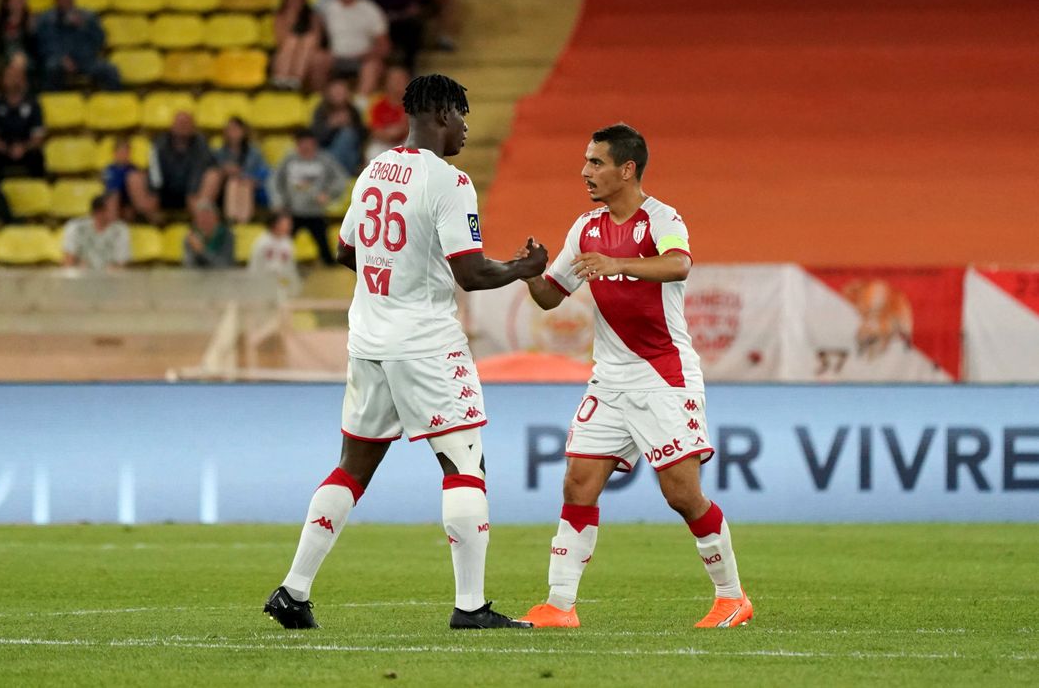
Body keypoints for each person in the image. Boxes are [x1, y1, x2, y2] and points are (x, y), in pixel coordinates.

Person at [263, 73, 548, 631]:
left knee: (352, 468)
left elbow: (346, 250)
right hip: (426, 344)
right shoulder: (450, 181)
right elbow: (471, 273)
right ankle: (471, 607)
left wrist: (395, 275)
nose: (466, 128)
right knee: (465, 464)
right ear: (441, 113)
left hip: (368, 340)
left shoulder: (373, 170)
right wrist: (522, 268)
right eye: (461, 115)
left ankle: (293, 590)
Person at [517, 124, 753, 629]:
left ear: (627, 169)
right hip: (609, 379)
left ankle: (732, 598)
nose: (585, 172)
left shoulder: (662, 218)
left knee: (681, 494)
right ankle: (559, 605)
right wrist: (530, 272)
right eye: (586, 161)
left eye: (596, 162)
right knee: (578, 484)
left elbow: (679, 265)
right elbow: (552, 296)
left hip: (663, 376)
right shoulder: (585, 228)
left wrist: (616, 263)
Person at [268, 127, 347, 265]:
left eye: (308, 144)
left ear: (314, 144)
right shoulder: (288, 159)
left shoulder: (325, 159)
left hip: (315, 212)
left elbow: (341, 179)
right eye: (302, 144)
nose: (305, 148)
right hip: (291, 211)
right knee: (282, 249)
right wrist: (278, 201)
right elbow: (274, 180)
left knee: (326, 252)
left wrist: (329, 194)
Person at [35, 0, 120, 91]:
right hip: (59, 61)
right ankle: (54, 99)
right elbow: (43, 45)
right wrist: (60, 58)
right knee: (51, 68)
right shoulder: (46, 19)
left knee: (110, 70)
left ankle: (112, 100)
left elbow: (100, 40)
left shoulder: (87, 16)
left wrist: (85, 26)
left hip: (85, 61)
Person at [311, 0, 389, 96]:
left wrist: (367, 55)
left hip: (362, 58)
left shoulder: (370, 9)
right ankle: (320, 98)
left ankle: (361, 101)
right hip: (335, 57)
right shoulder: (328, 9)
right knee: (318, 59)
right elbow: (316, 27)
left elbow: (384, 45)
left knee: (372, 66)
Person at [200, 117, 270, 225]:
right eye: (229, 129)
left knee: (239, 183)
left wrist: (242, 175)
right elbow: (211, 172)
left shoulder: (254, 153)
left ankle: (240, 223)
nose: (232, 133)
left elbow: (264, 174)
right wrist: (224, 170)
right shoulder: (219, 152)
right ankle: (206, 212)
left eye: (235, 129)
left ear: (243, 131)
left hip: (247, 188)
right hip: (222, 191)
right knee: (230, 182)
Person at [147, 112, 216, 216]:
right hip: (165, 189)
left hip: (192, 190)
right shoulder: (160, 143)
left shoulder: (201, 144)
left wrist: (191, 193)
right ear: (172, 126)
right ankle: (148, 218)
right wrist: (156, 192)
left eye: (186, 123)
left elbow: (199, 171)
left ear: (193, 128)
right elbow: (154, 171)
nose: (183, 126)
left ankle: (201, 216)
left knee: (213, 174)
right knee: (135, 178)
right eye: (180, 123)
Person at [0, 61, 45, 180]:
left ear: (23, 79)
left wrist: (23, 148)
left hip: (27, 149)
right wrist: (7, 149)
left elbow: (38, 137)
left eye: (16, 76)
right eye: (9, 76)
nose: (13, 80)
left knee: (38, 156)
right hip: (3, 150)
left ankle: (38, 188)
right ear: (2, 80)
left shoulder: (33, 105)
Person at [271, 0, 325, 90]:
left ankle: (296, 79)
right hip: (286, 51)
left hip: (308, 51)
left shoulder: (313, 16)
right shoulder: (280, 16)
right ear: (285, 1)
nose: (294, 2)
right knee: (292, 41)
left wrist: (301, 44)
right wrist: (290, 18)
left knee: (309, 40)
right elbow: (280, 41)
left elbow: (317, 40)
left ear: (303, 0)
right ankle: (282, 77)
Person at [310, 77, 365, 176]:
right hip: (326, 153)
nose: (339, 94)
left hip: (350, 156)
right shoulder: (321, 110)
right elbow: (315, 138)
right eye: (336, 91)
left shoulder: (353, 111)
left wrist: (351, 125)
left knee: (348, 134)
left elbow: (362, 138)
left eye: (342, 91)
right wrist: (331, 126)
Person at [61, 193, 130, 269]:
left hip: (110, 274)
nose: (117, 211)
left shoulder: (120, 230)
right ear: (99, 212)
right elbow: (68, 261)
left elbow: (121, 263)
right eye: (112, 209)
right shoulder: (75, 227)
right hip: (80, 273)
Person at [102, 137, 161, 224]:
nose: (124, 154)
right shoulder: (110, 170)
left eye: (126, 151)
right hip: (117, 201)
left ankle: (152, 217)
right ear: (115, 153)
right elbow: (112, 191)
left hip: (132, 201)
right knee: (113, 197)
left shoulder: (134, 169)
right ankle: (113, 223)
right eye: (121, 151)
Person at [363, 65, 410, 161]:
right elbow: (373, 130)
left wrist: (401, 130)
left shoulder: (416, 103)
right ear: (387, 82)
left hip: (406, 142)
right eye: (395, 80)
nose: (398, 83)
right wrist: (389, 135)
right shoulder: (376, 103)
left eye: (402, 79)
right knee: (373, 152)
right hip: (382, 143)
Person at [248, 213, 300, 294]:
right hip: (262, 284)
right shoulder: (262, 242)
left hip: (281, 285)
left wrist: (291, 285)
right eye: (286, 224)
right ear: (275, 225)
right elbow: (255, 266)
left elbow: (290, 268)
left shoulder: (288, 243)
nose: (290, 227)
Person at [0, 0, 38, 74]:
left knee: (19, 63)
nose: (18, 2)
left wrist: (31, 31)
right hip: (5, 59)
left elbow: (35, 49)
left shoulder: (30, 21)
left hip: (26, 60)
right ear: (6, 3)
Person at [183, 200, 234, 268]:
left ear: (216, 219)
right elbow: (189, 266)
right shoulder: (192, 237)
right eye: (201, 218)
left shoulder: (227, 235)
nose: (205, 221)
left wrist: (202, 251)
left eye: (208, 217)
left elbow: (224, 265)